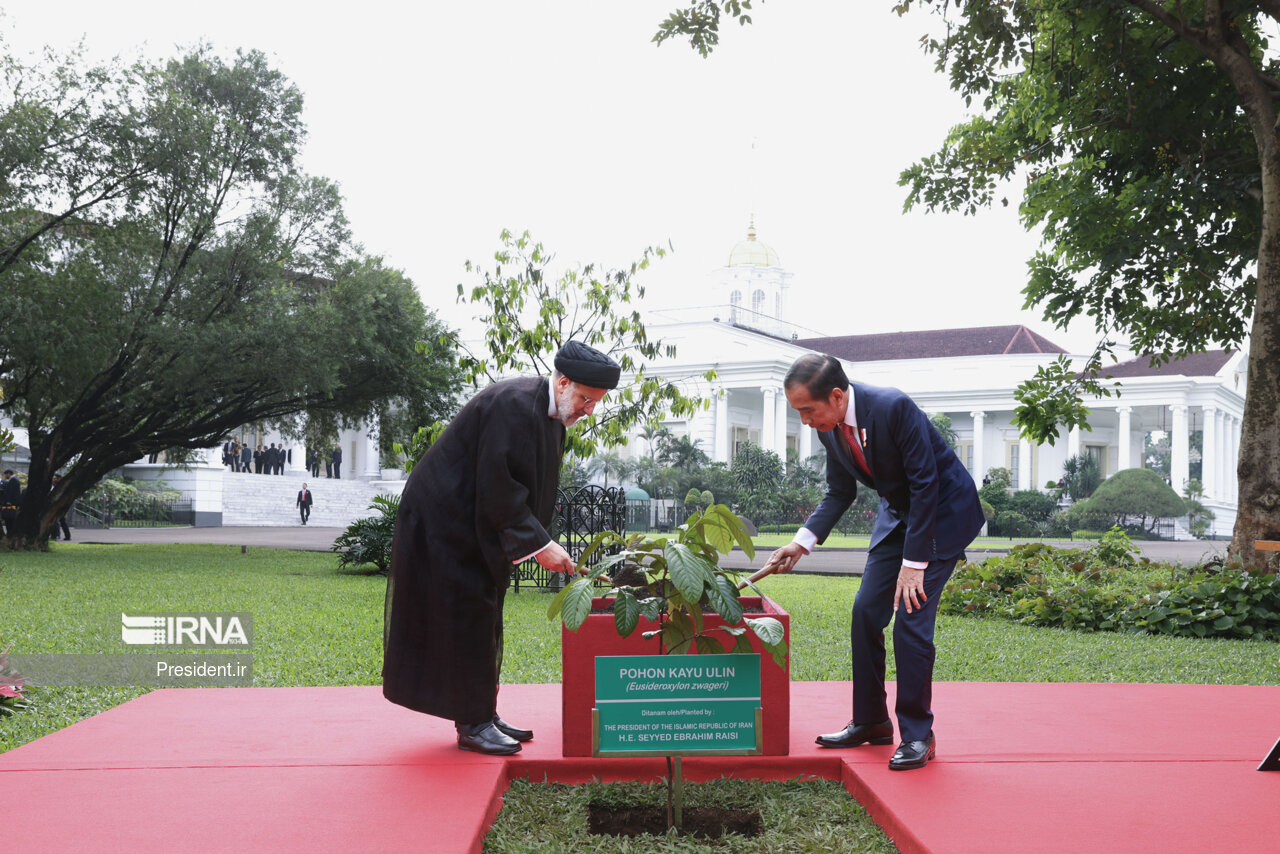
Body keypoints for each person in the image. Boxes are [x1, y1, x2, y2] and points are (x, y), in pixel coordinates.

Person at [383, 340, 620, 755]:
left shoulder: (551, 417)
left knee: (486, 610)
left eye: (595, 403)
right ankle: (473, 723)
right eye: (586, 398)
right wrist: (539, 544)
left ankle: (482, 712)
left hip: (475, 519)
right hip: (444, 519)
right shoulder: (514, 404)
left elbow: (531, 489)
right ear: (564, 383)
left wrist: (542, 539)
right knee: (468, 613)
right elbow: (498, 485)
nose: (589, 410)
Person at [762, 354, 984, 771]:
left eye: (807, 410)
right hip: (898, 515)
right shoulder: (830, 429)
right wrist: (801, 543)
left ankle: (918, 735)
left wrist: (915, 562)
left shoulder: (892, 407)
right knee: (865, 612)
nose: (804, 421)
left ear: (836, 396)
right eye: (798, 413)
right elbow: (839, 492)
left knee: (910, 620)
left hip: (943, 514)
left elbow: (926, 483)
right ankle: (871, 721)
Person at [0, 470, 22, 539]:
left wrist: (9, 501)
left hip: (11, 504)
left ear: (9, 474)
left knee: (9, 519)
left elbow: (11, 492)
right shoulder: (14, 480)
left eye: (5, 474)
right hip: (12, 503)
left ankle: (10, 533)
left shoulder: (13, 481)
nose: (5, 476)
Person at [51, 474, 71, 540]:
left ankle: (59, 535)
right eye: (54, 478)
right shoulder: (52, 487)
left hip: (59, 506)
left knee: (60, 521)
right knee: (60, 521)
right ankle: (62, 535)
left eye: (56, 478)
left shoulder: (62, 488)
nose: (54, 480)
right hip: (54, 506)